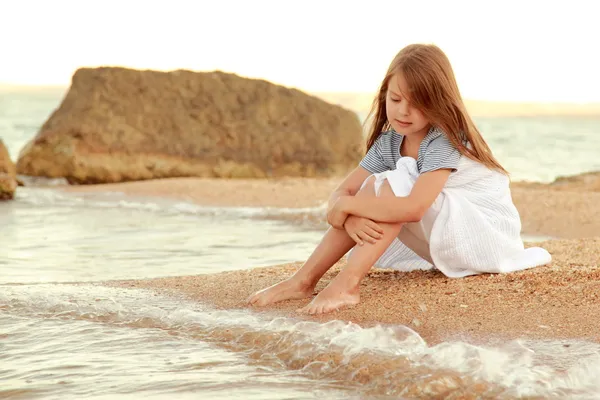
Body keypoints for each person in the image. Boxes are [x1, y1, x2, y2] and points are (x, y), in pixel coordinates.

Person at [247, 43, 552, 315]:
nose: (404, 112)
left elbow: (414, 208)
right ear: (384, 95)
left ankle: (348, 284)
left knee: (392, 185)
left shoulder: (443, 140)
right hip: (445, 234)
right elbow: (343, 191)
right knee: (374, 186)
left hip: (482, 238)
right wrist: (350, 217)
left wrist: (349, 206)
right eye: (395, 99)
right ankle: (304, 280)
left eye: (418, 103)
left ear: (439, 102)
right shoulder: (389, 142)